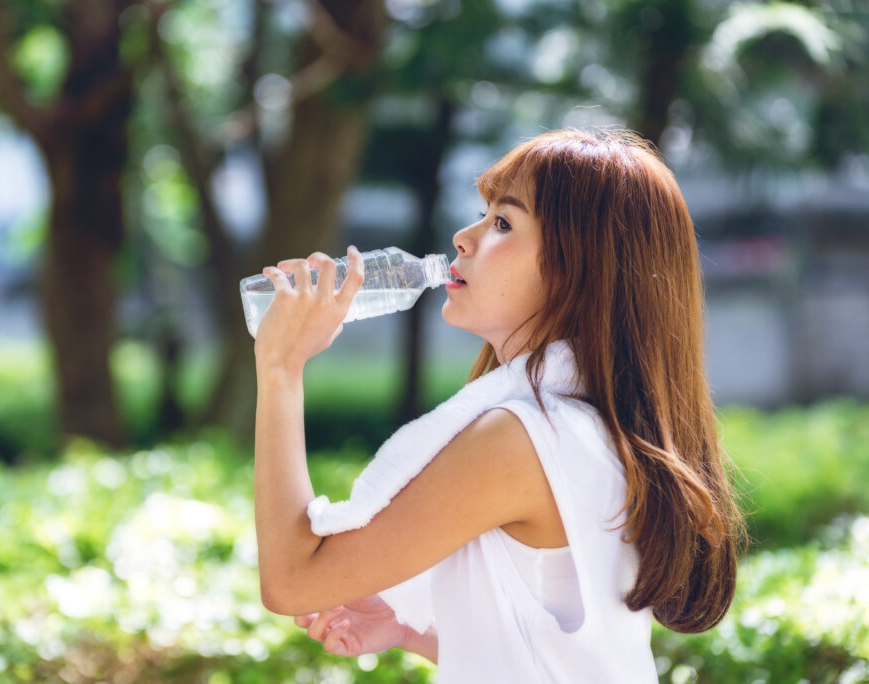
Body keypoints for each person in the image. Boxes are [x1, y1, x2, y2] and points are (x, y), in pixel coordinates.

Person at [251, 128, 743, 682]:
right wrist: (412, 631)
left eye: (503, 222)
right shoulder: (596, 426)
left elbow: (292, 581)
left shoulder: (522, 439)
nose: (464, 237)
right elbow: (560, 655)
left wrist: (280, 370)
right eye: (483, 213)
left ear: (577, 270)